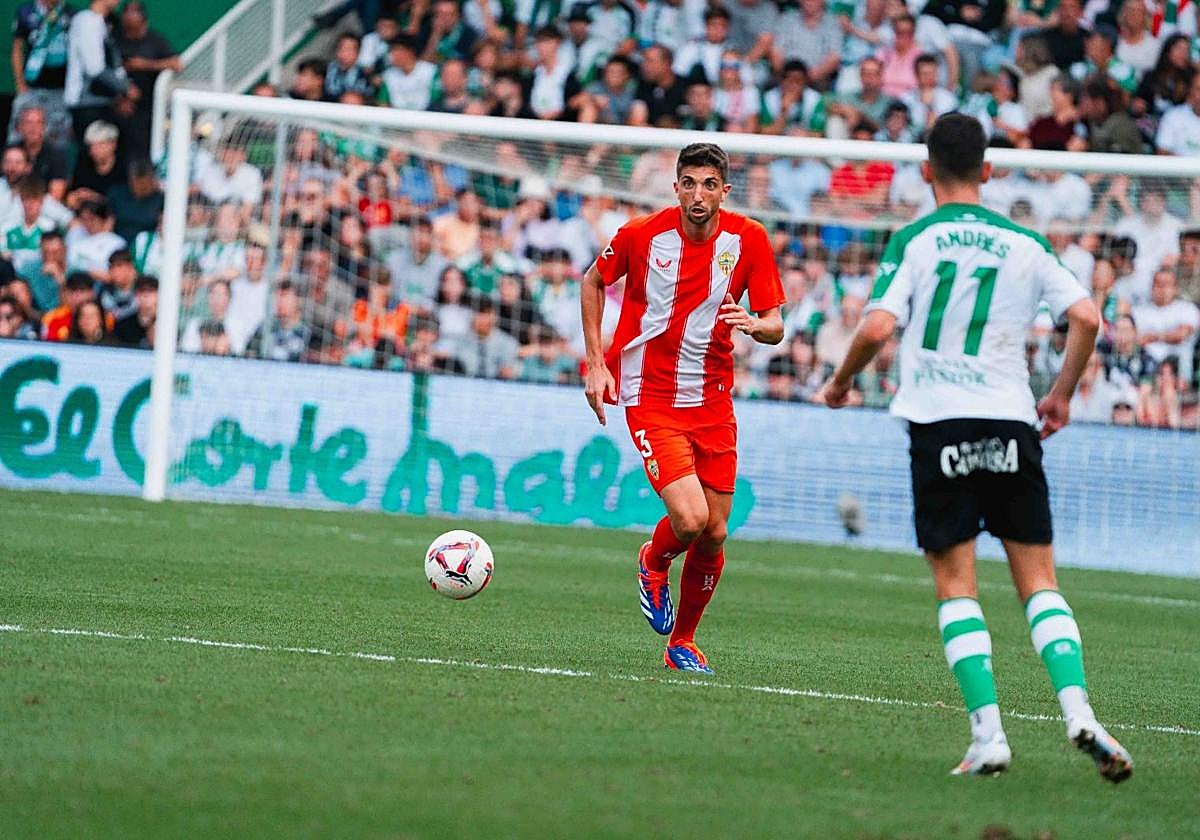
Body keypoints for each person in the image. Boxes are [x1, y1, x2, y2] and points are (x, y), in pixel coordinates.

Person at [817, 113, 1133, 781]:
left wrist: (841, 383)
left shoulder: (915, 238)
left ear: (925, 171)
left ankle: (989, 735)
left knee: (957, 587)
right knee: (1039, 583)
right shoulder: (1024, 242)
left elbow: (875, 327)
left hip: (940, 423)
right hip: (1011, 421)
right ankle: (1079, 711)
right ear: (988, 171)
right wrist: (1060, 395)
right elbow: (1086, 317)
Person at [581, 142, 785, 674]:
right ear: (675, 188)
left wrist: (756, 325)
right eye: (689, 183)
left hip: (714, 402)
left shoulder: (748, 239)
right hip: (652, 397)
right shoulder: (641, 235)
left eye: (709, 185)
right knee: (691, 519)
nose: (698, 195)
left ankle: (683, 643)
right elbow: (593, 281)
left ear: (725, 191)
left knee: (715, 531)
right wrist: (596, 363)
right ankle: (653, 560)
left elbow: (775, 325)